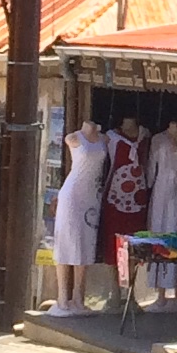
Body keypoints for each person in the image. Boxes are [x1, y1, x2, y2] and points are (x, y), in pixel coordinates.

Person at [50, 121, 109, 315]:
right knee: (67, 241)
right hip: (73, 194)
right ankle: (62, 296)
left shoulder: (104, 139)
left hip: (91, 196)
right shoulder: (73, 138)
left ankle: (78, 297)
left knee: (86, 243)